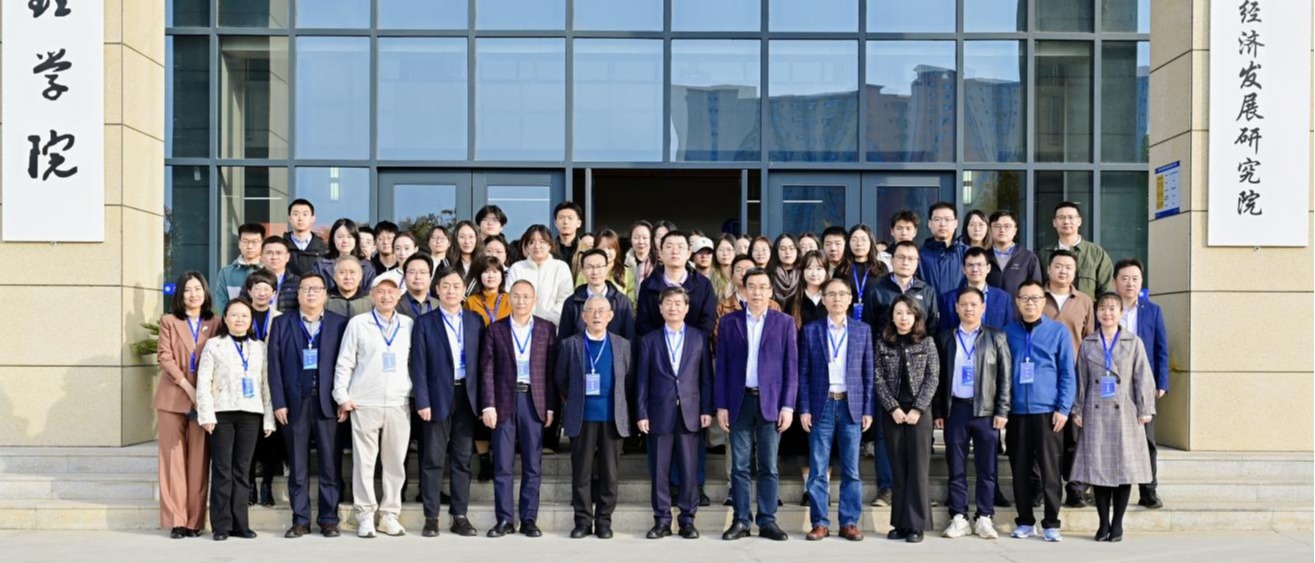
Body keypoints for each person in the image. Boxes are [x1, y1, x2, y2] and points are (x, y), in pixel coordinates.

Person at [715, 267, 799, 542]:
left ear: (770, 291)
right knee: (739, 467)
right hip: (738, 402)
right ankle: (741, 520)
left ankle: (767, 520)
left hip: (770, 403)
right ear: (744, 289)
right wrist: (721, 405)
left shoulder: (784, 322)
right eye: (752, 286)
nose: (757, 292)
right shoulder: (730, 322)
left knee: (769, 466)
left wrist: (788, 406)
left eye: (763, 287)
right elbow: (722, 366)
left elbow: (791, 368)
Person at [332, 270, 414, 539]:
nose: (386, 296)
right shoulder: (358, 323)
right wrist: (341, 396)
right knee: (364, 462)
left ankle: (389, 514)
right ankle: (365, 514)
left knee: (395, 463)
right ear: (372, 295)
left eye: (391, 291)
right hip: (364, 402)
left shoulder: (408, 324)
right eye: (381, 291)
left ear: (399, 295)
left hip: (398, 402)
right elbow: (345, 361)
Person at [267, 272, 349, 539]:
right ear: (298, 294)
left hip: (328, 403)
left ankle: (328, 519)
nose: (311, 293)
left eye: (316, 289)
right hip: (294, 404)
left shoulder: (340, 324)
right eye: (306, 289)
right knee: (298, 465)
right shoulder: (282, 323)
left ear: (325, 294)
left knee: (330, 465)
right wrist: (279, 402)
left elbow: (348, 364)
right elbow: (274, 366)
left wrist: (344, 400)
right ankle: (300, 520)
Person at [1071, 292, 1157, 543]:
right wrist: (1077, 409)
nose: (1107, 313)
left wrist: (1145, 408)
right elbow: (1081, 379)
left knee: (1123, 469)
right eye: (1102, 309)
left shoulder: (1133, 341)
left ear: (1121, 313)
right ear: (1096, 313)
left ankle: (1117, 524)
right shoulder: (1088, 343)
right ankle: (1103, 524)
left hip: (1125, 412)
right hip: (1095, 411)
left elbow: (1143, 376)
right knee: (1099, 470)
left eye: (1112, 309)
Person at [480, 280, 558, 538]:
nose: (521, 301)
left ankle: (528, 519)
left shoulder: (547, 329)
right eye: (516, 296)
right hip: (504, 400)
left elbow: (550, 372)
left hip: (533, 401)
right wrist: (488, 405)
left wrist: (550, 407)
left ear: (534, 300)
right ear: (508, 299)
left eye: (526, 297)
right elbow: (487, 370)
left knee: (532, 464)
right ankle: (504, 519)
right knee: (502, 463)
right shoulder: (495, 329)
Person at [410, 268, 484, 538]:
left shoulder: (475, 321)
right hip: (437, 397)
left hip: (467, 396)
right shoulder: (424, 322)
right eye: (446, 286)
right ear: (437, 290)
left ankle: (459, 515)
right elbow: (418, 365)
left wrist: (483, 401)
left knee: (462, 459)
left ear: (464, 290)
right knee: (433, 458)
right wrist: (422, 400)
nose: (451, 291)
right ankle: (431, 517)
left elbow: (483, 364)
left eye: (456, 286)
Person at [798, 278, 874, 542]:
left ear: (850, 299)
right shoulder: (811, 330)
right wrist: (804, 408)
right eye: (831, 294)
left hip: (851, 406)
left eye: (842, 294)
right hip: (822, 405)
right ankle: (819, 522)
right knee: (818, 469)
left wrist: (868, 409)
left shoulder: (862, 330)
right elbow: (803, 374)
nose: (837, 298)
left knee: (851, 470)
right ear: (824, 299)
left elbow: (868, 374)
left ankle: (849, 522)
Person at [933, 287, 1012, 540]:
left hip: (986, 411)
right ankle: (959, 516)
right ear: (956, 308)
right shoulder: (945, 338)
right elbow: (938, 378)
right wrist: (939, 410)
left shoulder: (996, 337)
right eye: (964, 304)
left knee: (986, 468)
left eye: (974, 304)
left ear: (983, 308)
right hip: (956, 409)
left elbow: (1005, 377)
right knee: (956, 466)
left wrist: (1002, 410)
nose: (969, 308)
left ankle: (984, 516)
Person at [637, 287, 714, 540]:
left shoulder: (699, 338)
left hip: (690, 412)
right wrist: (642, 413)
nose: (673, 307)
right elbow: (642, 381)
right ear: (660, 308)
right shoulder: (649, 340)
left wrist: (706, 409)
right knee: (659, 470)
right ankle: (661, 520)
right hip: (659, 412)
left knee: (689, 469)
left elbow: (706, 378)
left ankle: (687, 520)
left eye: (678, 303)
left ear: (687, 308)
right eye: (668, 303)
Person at [196, 297, 275, 541]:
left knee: (242, 470)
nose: (239, 319)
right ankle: (221, 526)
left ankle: (241, 524)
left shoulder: (259, 347)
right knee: (222, 470)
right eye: (234, 314)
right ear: (225, 318)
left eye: (244, 315)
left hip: (251, 414)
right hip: (221, 414)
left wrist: (269, 419)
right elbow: (203, 382)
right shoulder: (214, 345)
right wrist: (206, 414)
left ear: (250, 320)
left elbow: (266, 384)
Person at [554, 295, 633, 539]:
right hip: (582, 416)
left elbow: (628, 380)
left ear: (611, 316)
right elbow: (560, 379)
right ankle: (583, 521)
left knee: (610, 473)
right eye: (591, 311)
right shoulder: (570, 345)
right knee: (582, 472)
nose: (597, 315)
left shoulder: (622, 345)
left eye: (602, 311)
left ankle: (604, 522)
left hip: (612, 417)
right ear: (583, 316)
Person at [1004, 280, 1077, 543]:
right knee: (1020, 470)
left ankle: (1051, 523)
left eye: (1035, 298)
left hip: (1048, 413)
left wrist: (1063, 408)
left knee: (1050, 471)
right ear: (1017, 301)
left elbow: (1068, 373)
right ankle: (1024, 521)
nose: (1030, 303)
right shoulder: (1007, 332)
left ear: (1044, 301)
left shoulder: (1058, 332)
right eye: (1025, 298)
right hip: (1017, 413)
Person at [155, 271, 222, 539]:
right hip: (173, 398)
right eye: (187, 290)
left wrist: (201, 393)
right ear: (180, 294)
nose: (193, 294)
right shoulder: (169, 321)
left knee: (199, 461)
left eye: (197, 289)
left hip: (204, 401)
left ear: (205, 292)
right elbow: (165, 357)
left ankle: (194, 521)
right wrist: (187, 386)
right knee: (172, 461)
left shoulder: (215, 322)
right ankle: (177, 520)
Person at [873, 295, 939, 543]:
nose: (903, 318)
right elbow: (877, 378)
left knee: (918, 469)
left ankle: (916, 525)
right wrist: (892, 407)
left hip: (918, 413)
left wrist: (918, 409)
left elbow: (933, 377)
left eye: (909, 313)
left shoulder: (927, 342)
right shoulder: (882, 344)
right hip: (893, 413)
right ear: (892, 316)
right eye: (899, 313)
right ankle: (900, 523)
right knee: (898, 469)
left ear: (916, 316)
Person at [1042, 249, 1096, 508]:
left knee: (1074, 436)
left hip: (1074, 375)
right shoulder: (1036, 297)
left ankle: (1075, 488)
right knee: (1045, 435)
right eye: (1058, 266)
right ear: (1048, 269)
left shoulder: (1084, 301)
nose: (1063, 271)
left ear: (1075, 272)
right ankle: (1040, 487)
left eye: (1068, 267)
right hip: (1042, 376)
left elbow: (1090, 339)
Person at [1114, 258, 1169, 509]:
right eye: (1125, 278)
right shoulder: (1106, 308)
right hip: (1111, 383)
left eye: (1135, 279)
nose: (1130, 283)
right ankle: (1107, 487)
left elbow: (1161, 349)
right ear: (1115, 281)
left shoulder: (1153, 310)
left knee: (1146, 440)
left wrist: (1161, 382)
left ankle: (1148, 490)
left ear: (1141, 282)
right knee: (1111, 436)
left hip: (1143, 384)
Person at [240, 271, 283, 507]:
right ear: (249, 291)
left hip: (272, 382)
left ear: (274, 292)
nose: (262, 292)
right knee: (249, 438)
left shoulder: (281, 318)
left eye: (267, 288)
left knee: (270, 439)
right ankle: (249, 485)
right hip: (246, 384)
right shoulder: (241, 316)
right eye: (257, 288)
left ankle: (266, 485)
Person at [637, 231, 718, 338]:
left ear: (688, 253)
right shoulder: (648, 285)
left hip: (694, 345)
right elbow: (643, 322)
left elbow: (708, 320)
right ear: (660, 253)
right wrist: (661, 342)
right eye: (669, 246)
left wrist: (690, 342)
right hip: (657, 346)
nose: (675, 251)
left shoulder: (703, 285)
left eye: (680, 247)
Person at [863, 241, 940, 340]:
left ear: (917, 263)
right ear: (892, 260)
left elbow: (932, 329)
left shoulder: (927, 292)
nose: (905, 262)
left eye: (911, 259)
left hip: (918, 348)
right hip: (885, 347)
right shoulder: (876, 291)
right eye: (900, 257)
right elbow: (869, 328)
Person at [559, 249, 636, 342]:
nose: (595, 272)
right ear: (582, 271)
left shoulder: (622, 302)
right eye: (589, 267)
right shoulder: (572, 303)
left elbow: (630, 340)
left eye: (599, 266)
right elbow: (564, 342)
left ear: (607, 268)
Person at [1041, 202, 1114, 297]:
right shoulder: (1044, 254)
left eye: (1071, 217)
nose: (1066, 222)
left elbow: (1106, 291)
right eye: (1061, 218)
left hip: (1086, 307)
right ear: (1054, 222)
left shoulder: (1096, 253)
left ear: (1079, 221)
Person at [506, 224, 574, 326]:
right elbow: (509, 296)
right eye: (531, 242)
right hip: (521, 326)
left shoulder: (560, 267)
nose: (537, 246)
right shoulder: (517, 268)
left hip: (552, 327)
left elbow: (565, 299)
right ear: (526, 247)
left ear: (550, 245)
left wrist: (547, 321)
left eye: (542, 242)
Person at [939, 247, 1016, 332]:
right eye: (970, 265)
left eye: (979, 265)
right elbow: (944, 334)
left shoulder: (1003, 298)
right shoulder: (948, 299)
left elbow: (1009, 332)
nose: (975, 269)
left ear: (988, 268)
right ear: (964, 269)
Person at [836, 225, 890, 321]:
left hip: (875, 320)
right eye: (854, 240)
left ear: (871, 242)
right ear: (848, 243)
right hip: (847, 321)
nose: (859, 243)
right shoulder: (842, 269)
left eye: (863, 239)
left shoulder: (881, 268)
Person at [986, 210, 1043, 296]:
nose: (1002, 230)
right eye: (997, 226)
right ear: (990, 230)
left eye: (1007, 226)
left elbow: (1036, 291)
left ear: (1015, 231)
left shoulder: (1028, 258)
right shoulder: (984, 257)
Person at [213, 223, 265, 313]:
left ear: (262, 244)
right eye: (245, 241)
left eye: (255, 242)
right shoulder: (226, 273)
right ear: (239, 243)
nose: (249, 246)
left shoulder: (268, 270)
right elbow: (221, 307)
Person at [315, 218, 377, 294]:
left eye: (349, 237)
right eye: (340, 237)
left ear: (356, 239)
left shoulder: (367, 266)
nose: (345, 241)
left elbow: (370, 295)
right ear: (333, 239)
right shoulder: (320, 265)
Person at [920, 202, 969, 296]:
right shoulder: (920, 255)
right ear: (929, 223)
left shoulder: (967, 253)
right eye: (937, 219)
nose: (942, 224)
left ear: (955, 223)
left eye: (947, 219)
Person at [582, 228, 637, 299]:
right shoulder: (585, 272)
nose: (605, 252)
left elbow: (631, 302)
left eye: (610, 248)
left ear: (616, 250)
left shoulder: (627, 273)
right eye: (601, 248)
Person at [285, 199, 328, 277]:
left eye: (305, 214)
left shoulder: (323, 247)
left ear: (312, 218)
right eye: (296, 214)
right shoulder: (282, 246)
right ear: (289, 218)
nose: (300, 218)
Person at [259, 236, 300, 312]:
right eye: (269, 253)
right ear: (261, 256)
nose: (274, 257)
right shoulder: (252, 280)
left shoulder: (298, 282)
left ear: (287, 257)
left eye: (279, 253)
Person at [467, 256, 512, 327]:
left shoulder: (510, 299)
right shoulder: (471, 301)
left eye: (495, 272)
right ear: (480, 276)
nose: (491, 276)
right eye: (486, 272)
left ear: (502, 277)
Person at [790, 250, 829, 330]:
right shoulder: (792, 302)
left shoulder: (832, 299)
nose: (814, 273)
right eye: (809, 268)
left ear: (826, 272)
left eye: (819, 269)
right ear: (803, 272)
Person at [398, 254, 439, 320]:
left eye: (422, 272)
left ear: (430, 277)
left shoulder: (440, 305)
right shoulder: (394, 304)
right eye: (412, 272)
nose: (418, 277)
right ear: (404, 277)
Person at [625, 220, 657, 304]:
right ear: (630, 239)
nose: (641, 242)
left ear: (651, 240)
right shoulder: (623, 263)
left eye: (645, 238)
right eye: (636, 237)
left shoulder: (657, 263)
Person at [767, 234, 801, 311]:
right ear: (776, 251)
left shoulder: (803, 274)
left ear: (797, 250)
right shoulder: (769, 273)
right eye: (783, 249)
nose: (787, 252)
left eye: (791, 248)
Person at [553, 202, 584, 273]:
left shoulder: (587, 251)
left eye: (570, 218)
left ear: (579, 223)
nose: (565, 222)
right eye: (561, 218)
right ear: (555, 223)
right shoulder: (548, 251)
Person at [711, 234, 739, 300]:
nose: (725, 253)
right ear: (715, 253)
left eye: (729, 250)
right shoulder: (710, 278)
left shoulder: (742, 276)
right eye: (721, 250)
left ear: (735, 252)